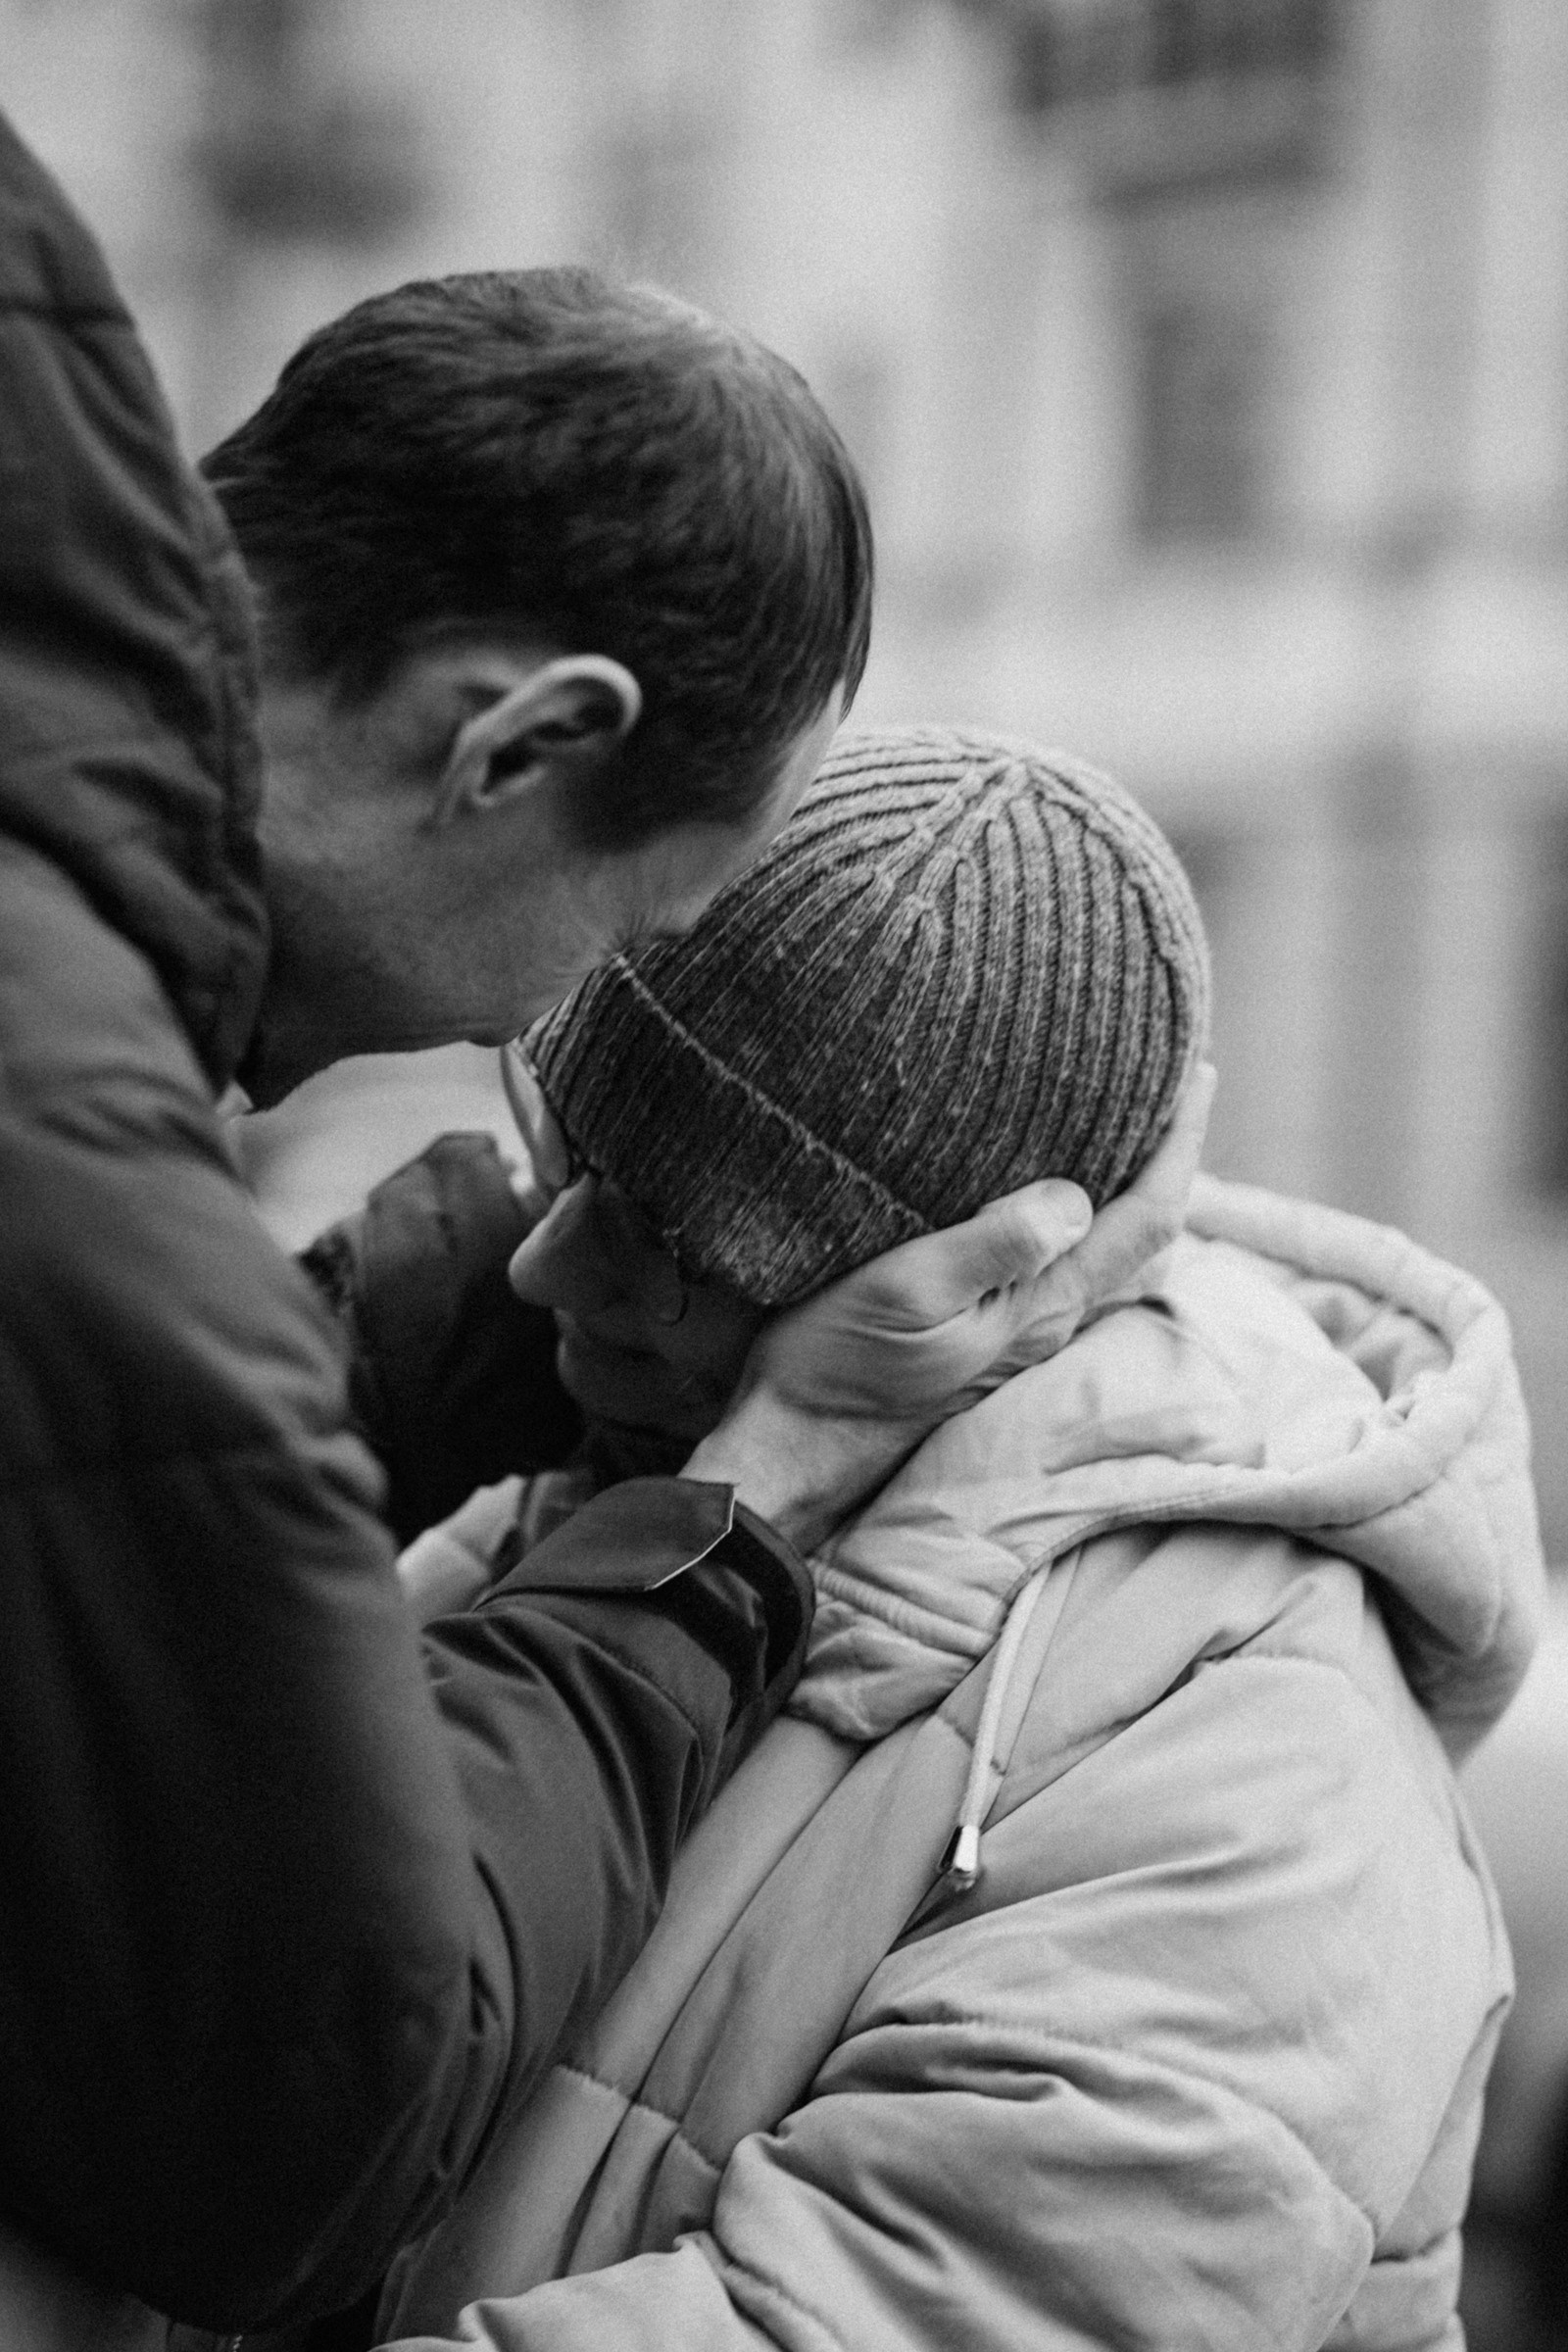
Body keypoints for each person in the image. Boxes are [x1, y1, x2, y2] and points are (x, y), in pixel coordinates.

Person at [0, 122, 1196, 2348]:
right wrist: (747, 1491)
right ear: (519, 745)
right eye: (614, 935)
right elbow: (304, 2115)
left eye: (652, 1222)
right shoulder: (71, 1157)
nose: (519, 1019)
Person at [367, 729, 1544, 2352]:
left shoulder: (1255, 1754)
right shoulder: (601, 1460)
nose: (538, 1268)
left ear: (960, 1279)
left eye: (663, 1239)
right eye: (567, 1154)